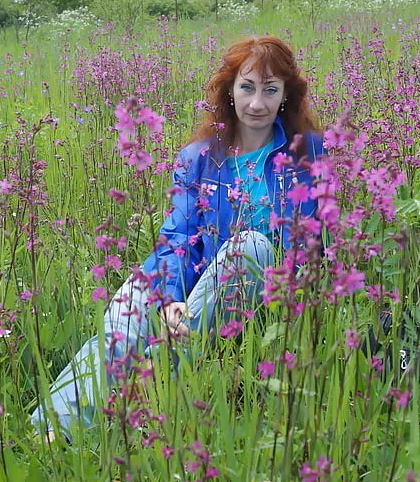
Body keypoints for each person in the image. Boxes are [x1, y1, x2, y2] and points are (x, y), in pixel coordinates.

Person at [31, 35, 325, 441]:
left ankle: (144, 389)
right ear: (230, 90)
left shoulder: (308, 154)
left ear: (285, 97)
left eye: (270, 90)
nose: (257, 103)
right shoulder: (198, 158)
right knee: (132, 300)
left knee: (250, 245)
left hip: (268, 293)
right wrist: (169, 298)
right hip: (199, 280)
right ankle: (53, 428)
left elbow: (317, 238)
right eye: (247, 87)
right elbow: (177, 238)